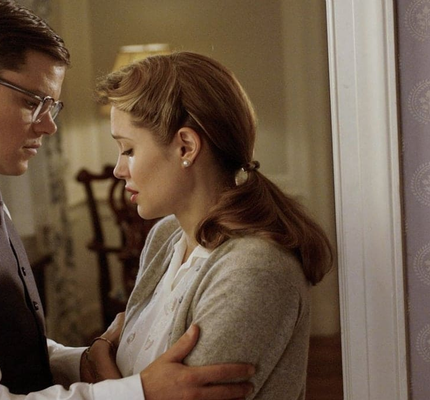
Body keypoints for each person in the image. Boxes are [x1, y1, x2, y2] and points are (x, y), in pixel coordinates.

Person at [0, 1, 256, 399]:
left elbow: (1, 351)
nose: (48, 126)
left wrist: (84, 362)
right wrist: (138, 392)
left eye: (51, 105)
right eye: (32, 103)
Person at [81, 52, 334, 399]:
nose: (118, 170)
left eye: (128, 150)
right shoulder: (166, 237)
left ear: (186, 147)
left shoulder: (254, 269)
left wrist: (99, 363)